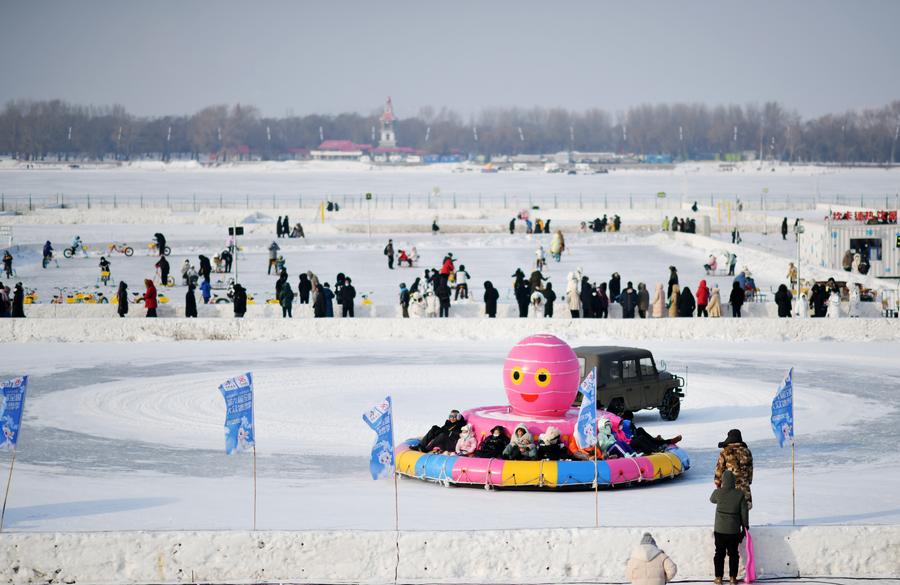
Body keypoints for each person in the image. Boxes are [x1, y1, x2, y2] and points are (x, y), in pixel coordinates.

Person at [710, 469, 750, 585]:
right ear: (733, 481)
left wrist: (719, 488)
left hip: (720, 530)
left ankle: (718, 578)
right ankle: (733, 578)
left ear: (723, 481)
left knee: (719, 554)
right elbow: (744, 512)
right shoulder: (739, 494)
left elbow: (712, 500)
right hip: (733, 531)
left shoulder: (718, 492)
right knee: (733, 554)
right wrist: (745, 526)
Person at [715, 429, 754, 509]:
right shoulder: (747, 451)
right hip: (744, 486)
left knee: (730, 509)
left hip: (728, 487)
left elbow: (719, 469)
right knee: (744, 508)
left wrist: (718, 483)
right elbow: (750, 469)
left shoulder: (725, 452)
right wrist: (748, 481)